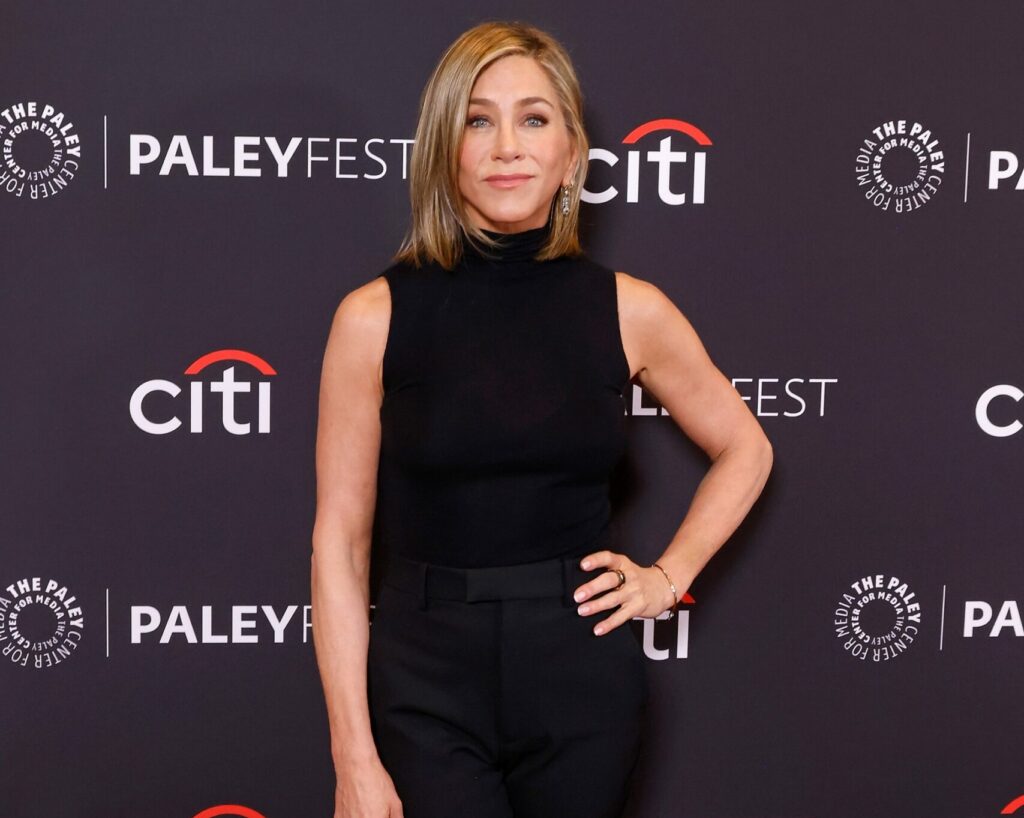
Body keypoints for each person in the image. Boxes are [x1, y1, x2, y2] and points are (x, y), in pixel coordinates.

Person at [311, 19, 773, 818]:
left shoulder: (630, 309)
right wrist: (352, 755)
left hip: (580, 676)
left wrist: (668, 579)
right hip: (424, 680)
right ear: (444, 150)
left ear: (571, 153)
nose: (506, 148)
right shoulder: (372, 318)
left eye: (533, 119)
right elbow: (340, 543)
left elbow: (746, 447)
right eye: (477, 121)